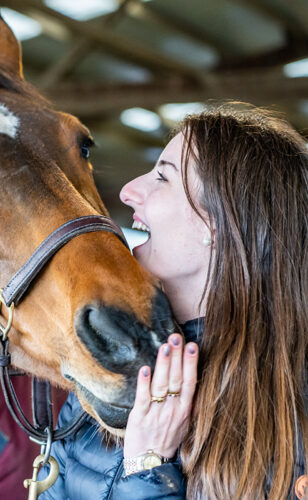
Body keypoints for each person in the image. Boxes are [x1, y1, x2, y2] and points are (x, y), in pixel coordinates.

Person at [39, 105, 307, 499]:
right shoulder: (105, 371)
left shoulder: (291, 419)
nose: (129, 190)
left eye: (163, 177)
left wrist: (149, 466)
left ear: (218, 224)